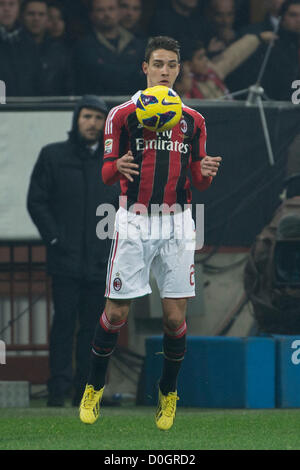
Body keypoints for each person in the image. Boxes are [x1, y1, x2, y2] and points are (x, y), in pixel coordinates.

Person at [79, 36, 222, 431]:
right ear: (145, 68)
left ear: (178, 69)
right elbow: (107, 171)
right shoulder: (121, 115)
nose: (164, 70)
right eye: (157, 63)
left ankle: (168, 391)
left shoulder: (194, 120)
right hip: (134, 219)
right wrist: (118, 166)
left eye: (171, 65)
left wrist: (205, 172)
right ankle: (94, 385)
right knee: (116, 311)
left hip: (178, 220)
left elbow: (197, 178)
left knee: (175, 318)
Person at [27, 95, 120, 407]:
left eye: (98, 118)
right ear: (76, 119)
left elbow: (125, 208)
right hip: (64, 261)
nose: (92, 123)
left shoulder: (114, 164)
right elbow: (36, 201)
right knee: (63, 324)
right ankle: (57, 390)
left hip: (99, 262)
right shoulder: (53, 156)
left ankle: (85, 392)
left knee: (94, 330)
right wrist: (54, 239)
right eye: (87, 117)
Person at [73, 0, 145, 95]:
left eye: (111, 9)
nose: (107, 14)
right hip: (98, 106)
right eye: (100, 10)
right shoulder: (83, 47)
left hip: (131, 104)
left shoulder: (137, 44)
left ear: (119, 12)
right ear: (92, 15)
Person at [186, 32, 277, 99]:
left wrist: (258, 38)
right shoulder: (183, 86)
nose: (206, 60)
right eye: (200, 58)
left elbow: (234, 55)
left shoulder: (212, 72)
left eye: (205, 56)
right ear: (188, 64)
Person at [21, 0, 74, 96]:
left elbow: (68, 88)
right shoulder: (10, 48)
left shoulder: (60, 52)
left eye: (41, 14)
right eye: (31, 14)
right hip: (17, 108)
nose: (36, 18)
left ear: (46, 19)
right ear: (22, 17)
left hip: (52, 108)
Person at [0, 0, 40, 96]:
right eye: (1, 4)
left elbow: (37, 81)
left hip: (24, 107)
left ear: (18, 9)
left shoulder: (29, 43)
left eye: (11, 4)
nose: (7, 9)